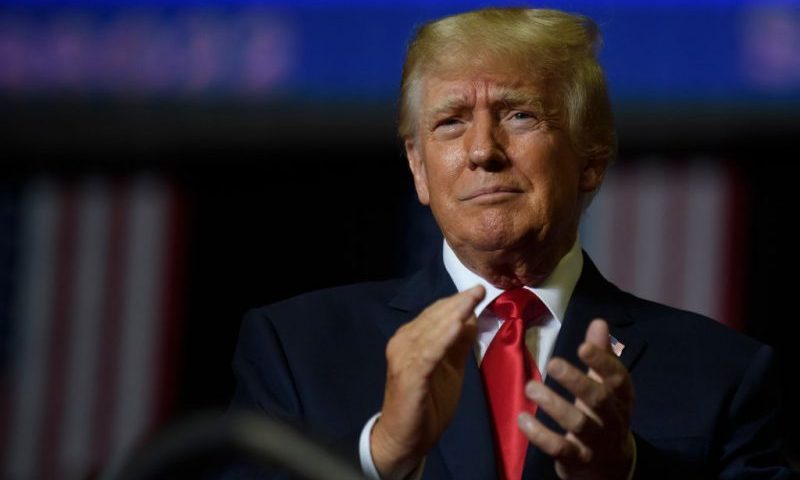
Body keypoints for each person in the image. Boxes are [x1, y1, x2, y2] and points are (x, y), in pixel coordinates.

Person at [228, 7, 794, 480]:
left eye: (519, 115)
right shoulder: (295, 351)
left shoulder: (722, 374)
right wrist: (382, 459)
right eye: (450, 122)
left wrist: (626, 472)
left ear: (591, 161)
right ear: (418, 168)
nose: (482, 151)